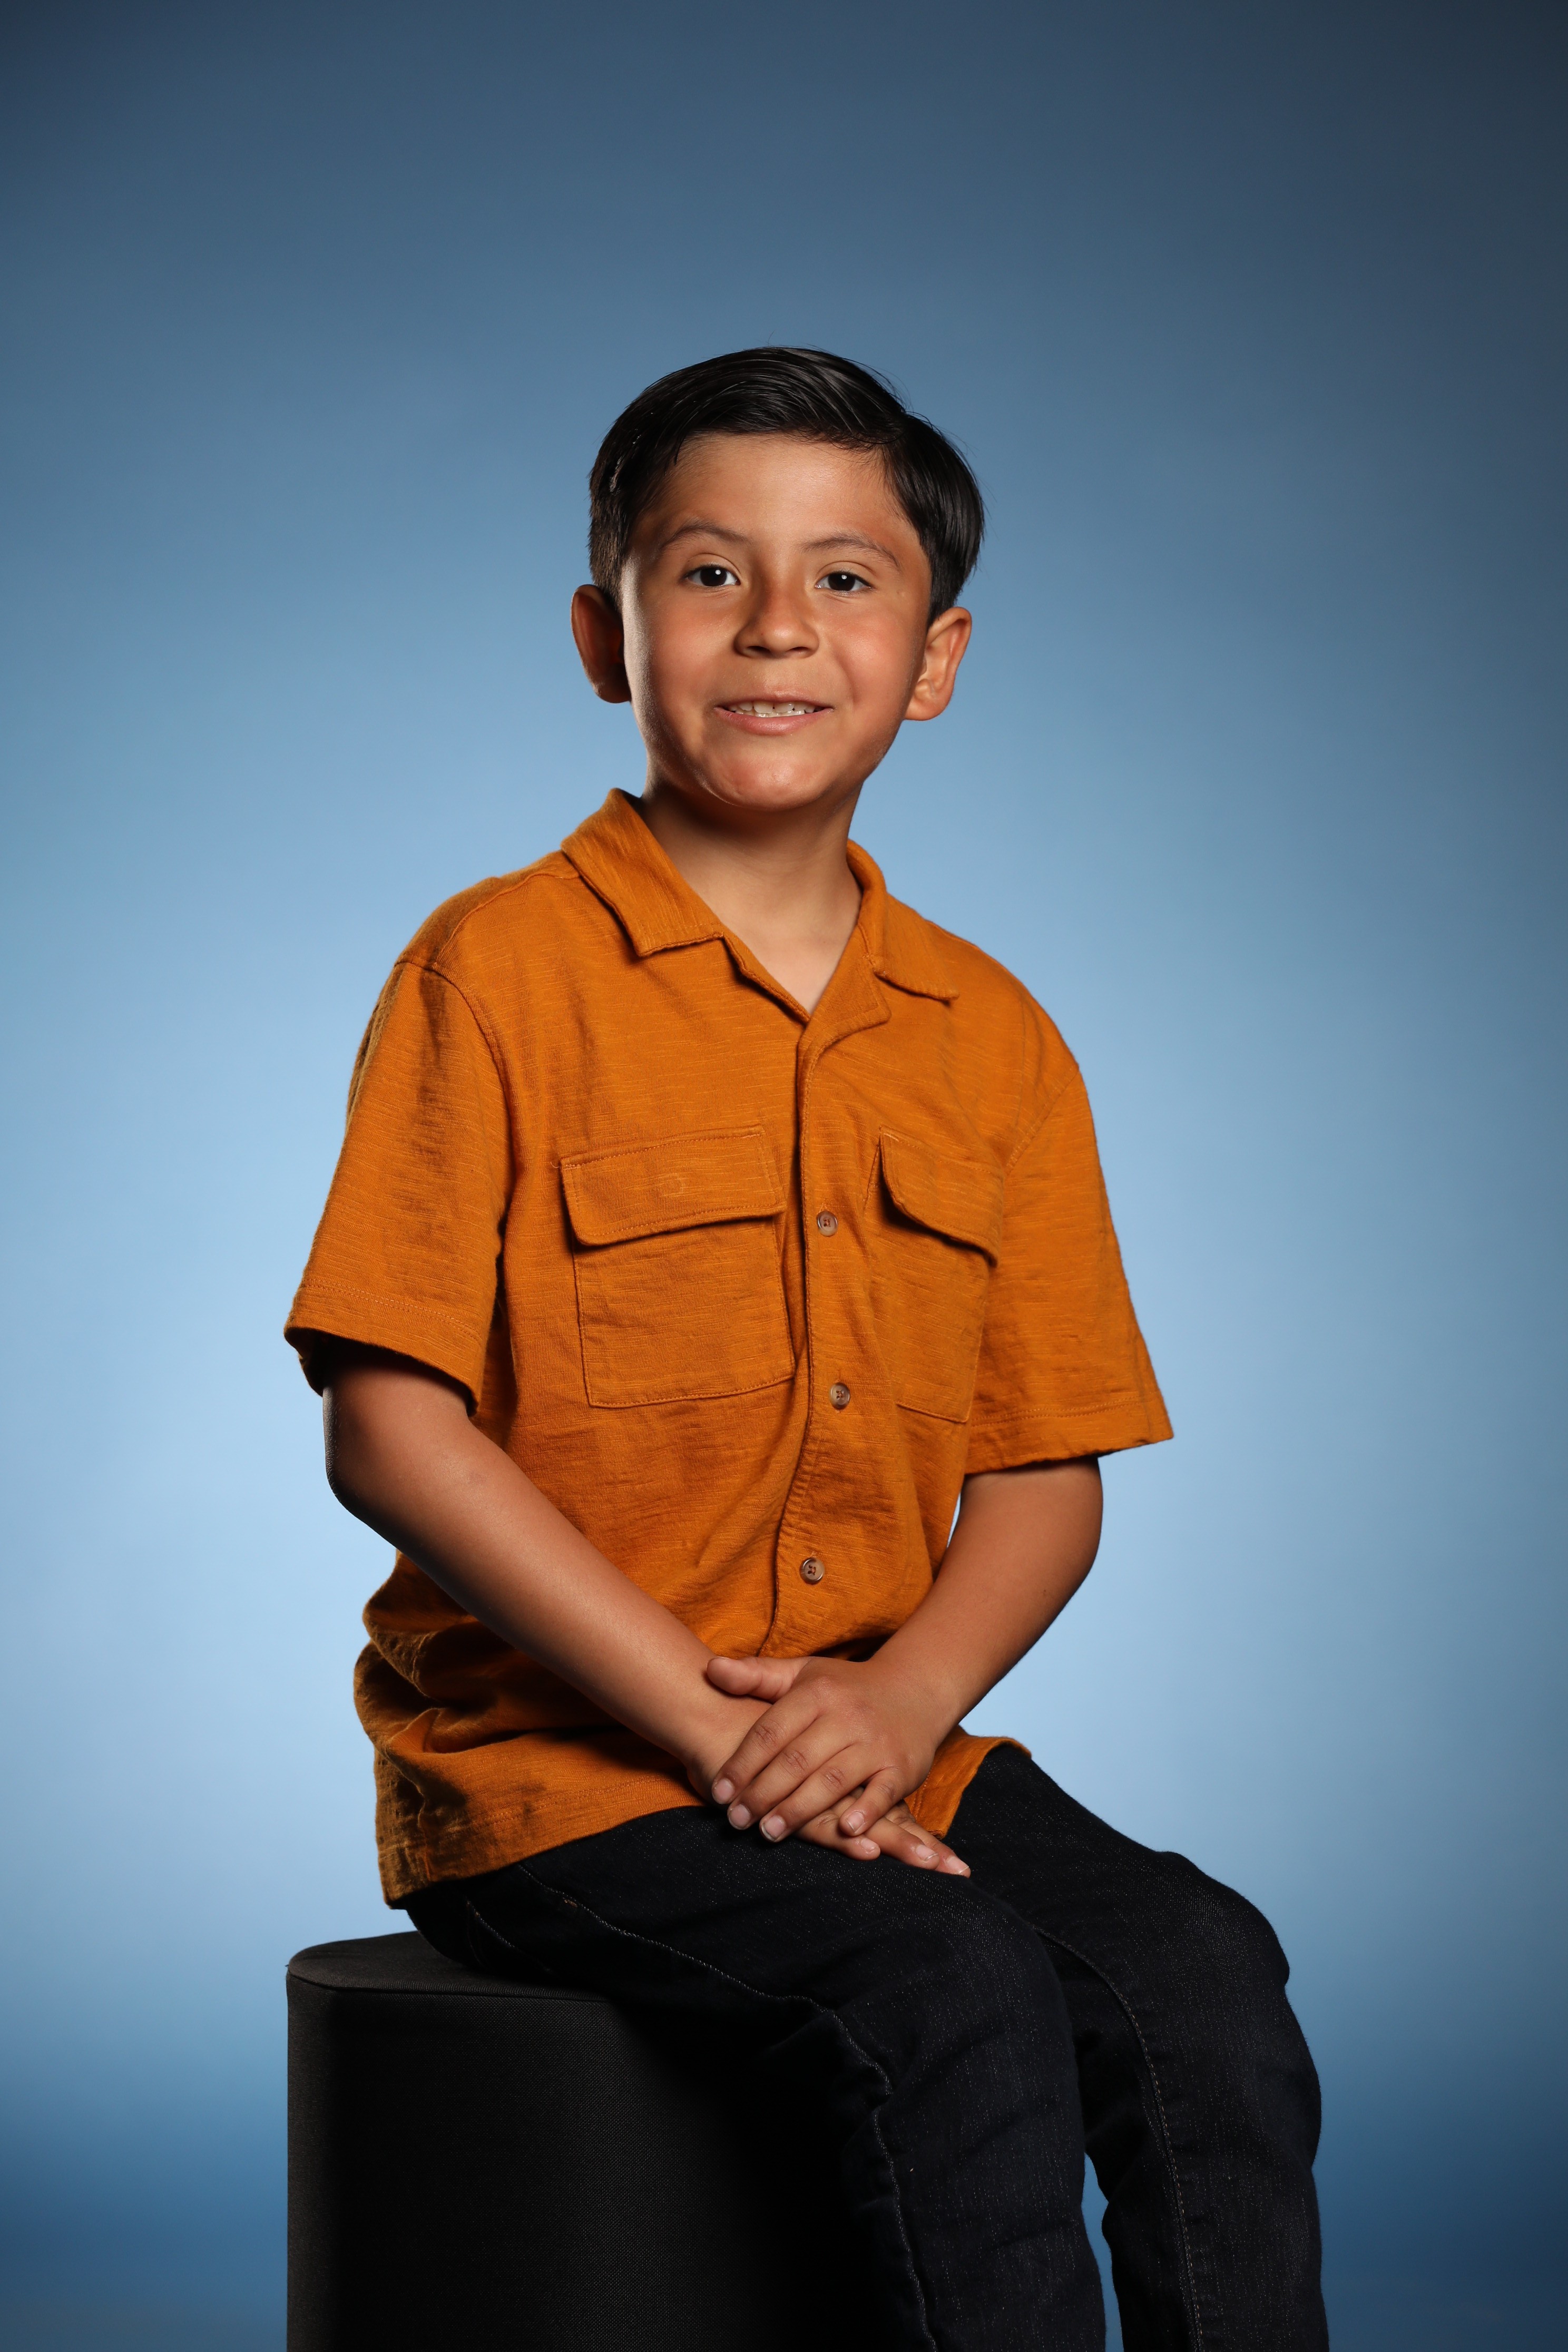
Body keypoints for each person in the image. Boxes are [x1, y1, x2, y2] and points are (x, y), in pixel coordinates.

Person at [286, 347, 1327, 2350]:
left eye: (845, 580)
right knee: (958, 1994)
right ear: (606, 637)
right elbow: (391, 1431)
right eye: (709, 573)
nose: (776, 625)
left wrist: (902, 1700)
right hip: (572, 1775)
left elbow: (1045, 1468)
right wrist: (718, 1732)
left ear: (934, 661)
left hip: (883, 1736)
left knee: (1202, 1976)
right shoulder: (492, 971)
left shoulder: (994, 1038)